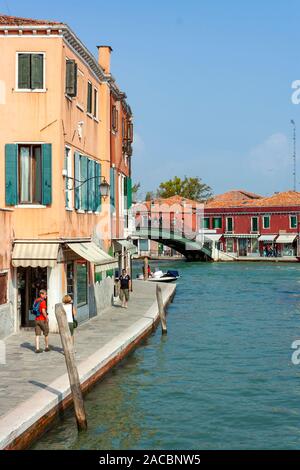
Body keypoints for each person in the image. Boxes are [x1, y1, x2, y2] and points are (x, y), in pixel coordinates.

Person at [34, 289, 50, 354]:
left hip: (36, 320)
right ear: (42, 294)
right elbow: (43, 311)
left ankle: (37, 348)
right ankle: (46, 347)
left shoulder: (36, 300)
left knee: (37, 334)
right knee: (46, 333)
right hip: (42, 320)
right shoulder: (43, 301)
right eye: (45, 294)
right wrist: (46, 317)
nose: (46, 295)